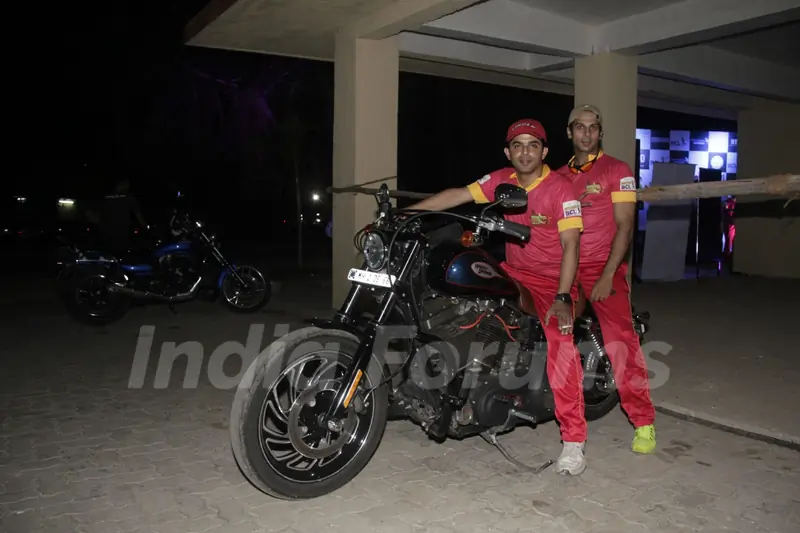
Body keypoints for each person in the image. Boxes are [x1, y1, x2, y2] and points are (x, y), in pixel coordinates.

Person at [408, 119, 590, 475]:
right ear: (508, 152)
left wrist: (562, 296)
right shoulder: (501, 180)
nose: (525, 152)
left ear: (544, 151)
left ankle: (574, 439)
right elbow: (456, 195)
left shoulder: (561, 190)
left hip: (554, 279)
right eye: (518, 145)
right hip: (514, 270)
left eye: (533, 145)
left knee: (559, 340)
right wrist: (407, 214)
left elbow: (571, 245)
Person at [556, 104, 657, 455]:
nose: (586, 133)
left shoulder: (618, 170)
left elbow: (626, 226)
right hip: (567, 266)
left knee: (619, 340)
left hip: (603, 265)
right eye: (579, 127)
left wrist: (608, 274)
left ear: (600, 132)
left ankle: (643, 422)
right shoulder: (559, 177)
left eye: (593, 127)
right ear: (569, 132)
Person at [87, 178, 147, 255]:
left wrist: (101, 223)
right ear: (120, 185)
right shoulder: (128, 198)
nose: (128, 187)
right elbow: (138, 215)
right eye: (126, 185)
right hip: (118, 236)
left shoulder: (106, 197)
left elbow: (91, 213)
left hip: (113, 235)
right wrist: (146, 227)